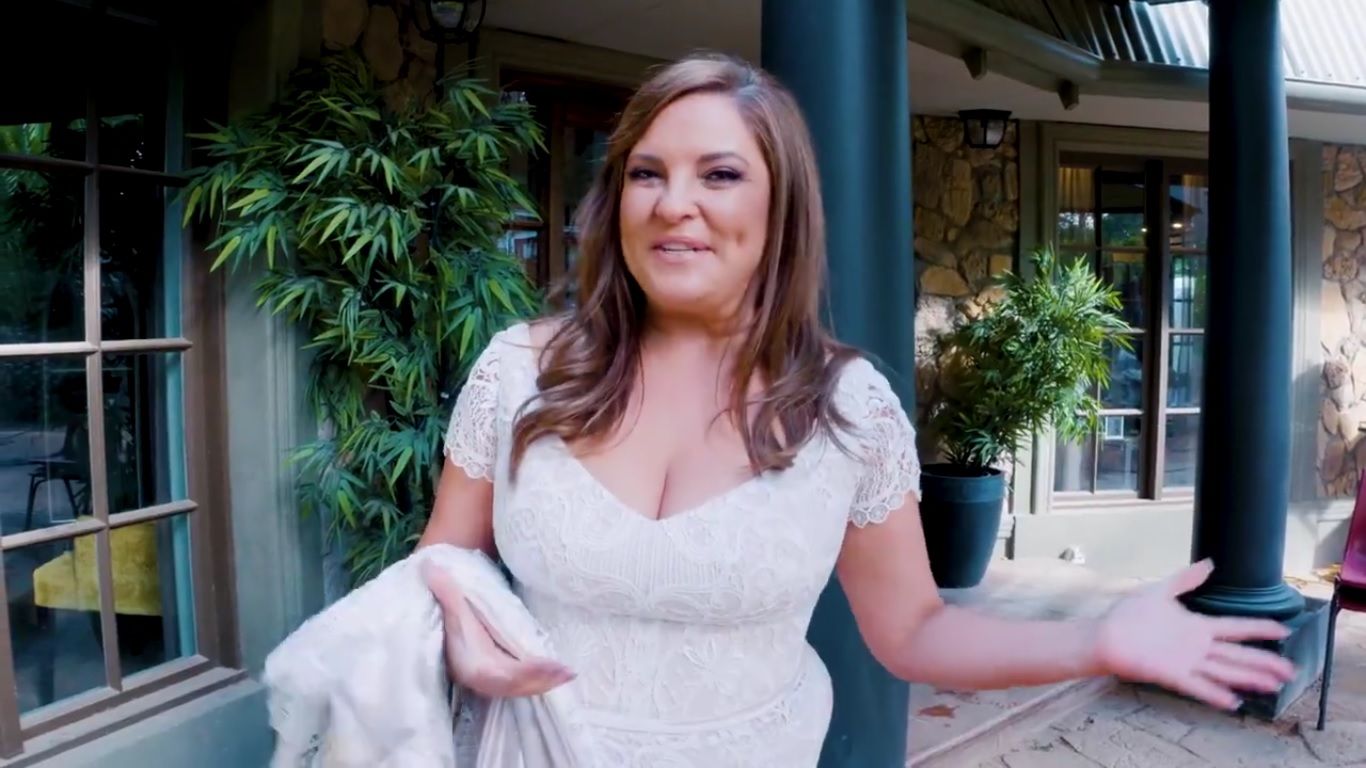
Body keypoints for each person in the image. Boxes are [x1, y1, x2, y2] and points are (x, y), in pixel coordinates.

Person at [416, 52, 1295, 766]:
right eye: (647, 173)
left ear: (781, 207)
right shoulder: (522, 372)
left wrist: (1095, 641)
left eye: (719, 174)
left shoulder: (849, 411)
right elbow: (441, 567)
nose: (673, 203)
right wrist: (457, 628)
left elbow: (914, 631)